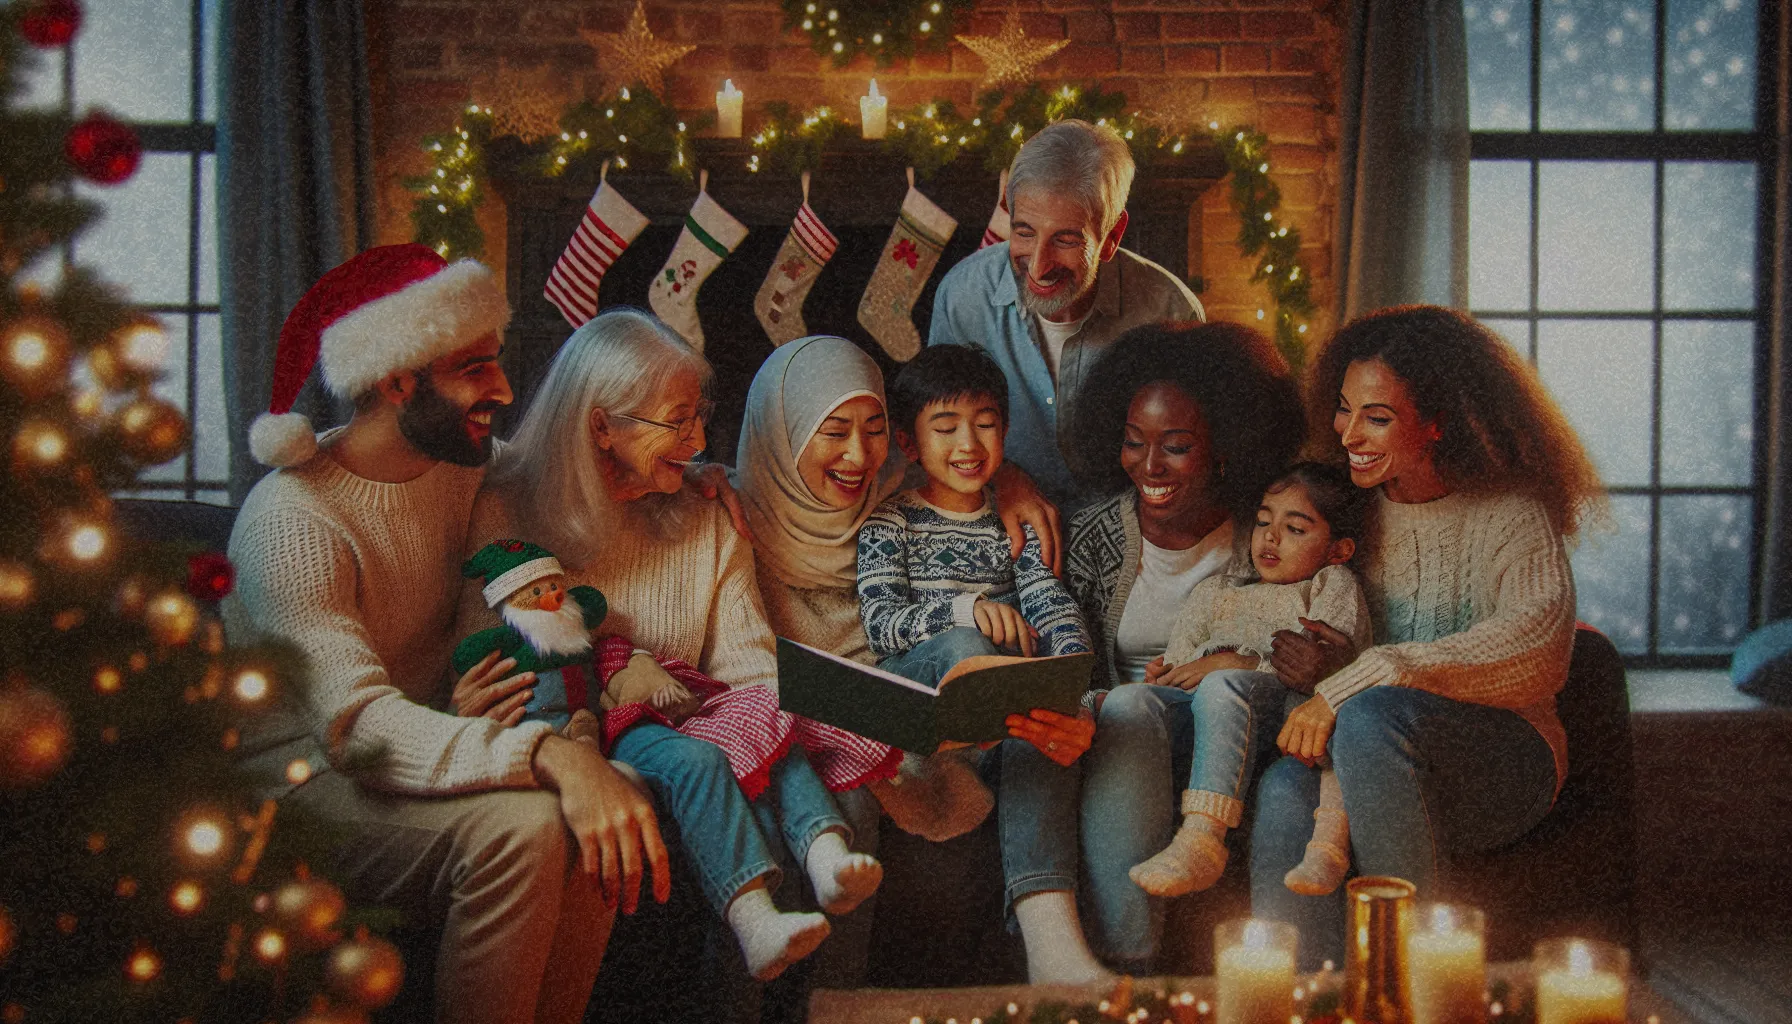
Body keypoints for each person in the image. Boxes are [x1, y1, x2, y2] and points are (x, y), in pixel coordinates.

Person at [223, 244, 660, 1024]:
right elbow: (355, 728)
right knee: (524, 831)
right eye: (475, 368)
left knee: (617, 787)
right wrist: (551, 753)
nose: (504, 388)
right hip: (304, 781)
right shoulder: (292, 520)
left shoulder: (463, 464)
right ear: (398, 380)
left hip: (428, 730)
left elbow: (580, 487)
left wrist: (702, 486)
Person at [459, 309, 890, 983]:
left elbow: (748, 663)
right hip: (593, 746)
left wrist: (760, 726)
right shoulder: (507, 513)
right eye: (676, 419)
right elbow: (501, 676)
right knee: (715, 790)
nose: (697, 438)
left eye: (700, 416)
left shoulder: (708, 510)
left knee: (789, 775)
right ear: (602, 425)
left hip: (702, 722)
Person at [1252, 305, 1605, 966]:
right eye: (1343, 408)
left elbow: (1541, 643)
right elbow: (1352, 668)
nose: (1348, 433)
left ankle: (1407, 980)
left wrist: (1372, 671)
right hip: (1373, 756)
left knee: (1371, 716)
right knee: (1284, 787)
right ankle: (1301, 998)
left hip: (1503, 763)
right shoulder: (1353, 513)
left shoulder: (1511, 510)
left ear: (1440, 423)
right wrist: (1327, 667)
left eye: (1376, 417)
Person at [1051, 321, 1304, 971]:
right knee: (1130, 709)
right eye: (1134, 443)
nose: (1149, 467)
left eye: (1177, 446)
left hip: (1237, 733)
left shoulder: (1269, 532)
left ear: (1224, 446)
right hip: (1124, 733)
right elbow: (1066, 661)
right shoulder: (1093, 536)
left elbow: (1316, 642)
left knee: (1143, 707)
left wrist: (1234, 661)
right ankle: (1130, 972)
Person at [928, 119, 1204, 518]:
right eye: (1024, 233)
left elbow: (1189, 455)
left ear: (1111, 236)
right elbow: (939, 430)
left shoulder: (1171, 311)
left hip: (1135, 519)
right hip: (997, 508)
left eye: (1066, 239)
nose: (1039, 267)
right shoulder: (963, 296)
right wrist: (1004, 477)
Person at [1129, 463, 1373, 899]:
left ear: (1338, 550)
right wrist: (1166, 676)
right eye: (1263, 522)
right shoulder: (1215, 592)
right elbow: (1183, 662)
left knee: (1226, 687)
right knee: (1137, 699)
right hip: (1208, 714)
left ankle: (1204, 836)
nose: (1271, 537)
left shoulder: (1330, 585)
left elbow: (1337, 671)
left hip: (1285, 709)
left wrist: (1237, 663)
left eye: (1295, 528)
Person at [857, 343, 1091, 688]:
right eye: (946, 429)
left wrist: (1069, 675)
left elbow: (1051, 605)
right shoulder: (889, 523)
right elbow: (881, 627)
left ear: (1005, 431)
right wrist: (967, 614)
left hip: (1002, 684)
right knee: (966, 644)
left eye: (984, 424)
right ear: (909, 444)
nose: (969, 444)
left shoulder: (1015, 520)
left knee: (1054, 651)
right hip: (920, 683)